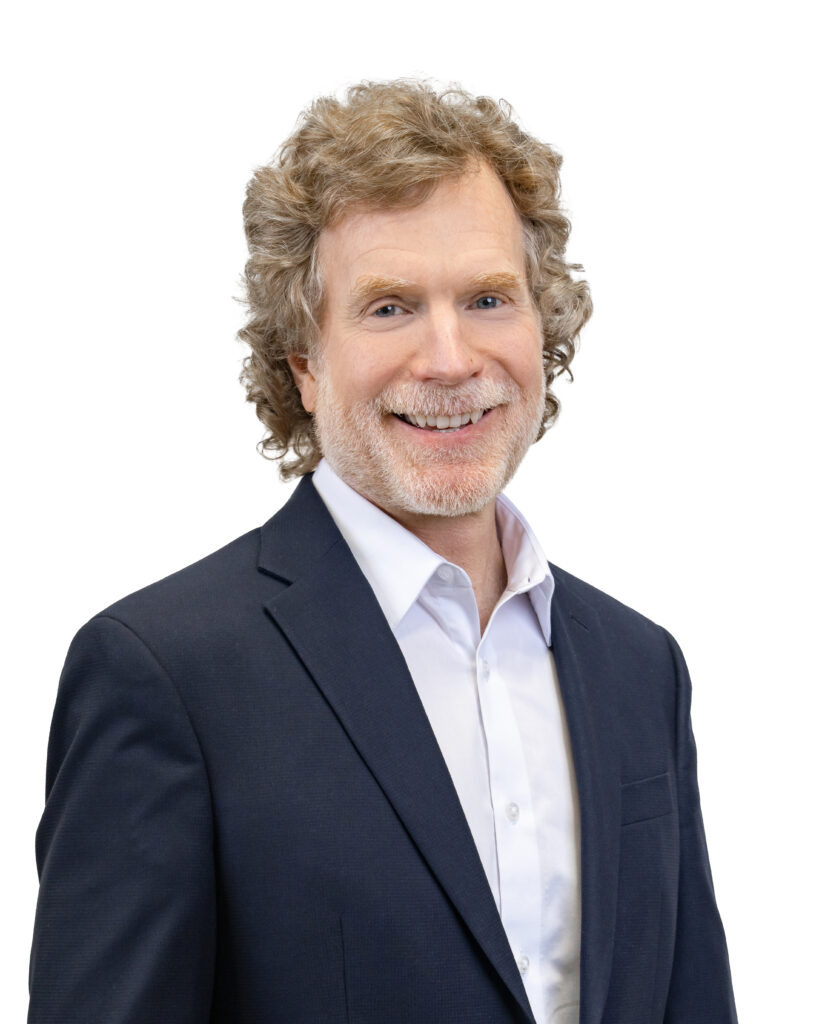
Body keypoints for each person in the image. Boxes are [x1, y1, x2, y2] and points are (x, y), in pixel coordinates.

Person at [28, 80, 737, 1024]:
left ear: (543, 326)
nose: (449, 359)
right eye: (390, 308)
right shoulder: (165, 675)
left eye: (488, 299)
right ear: (303, 361)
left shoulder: (639, 667)